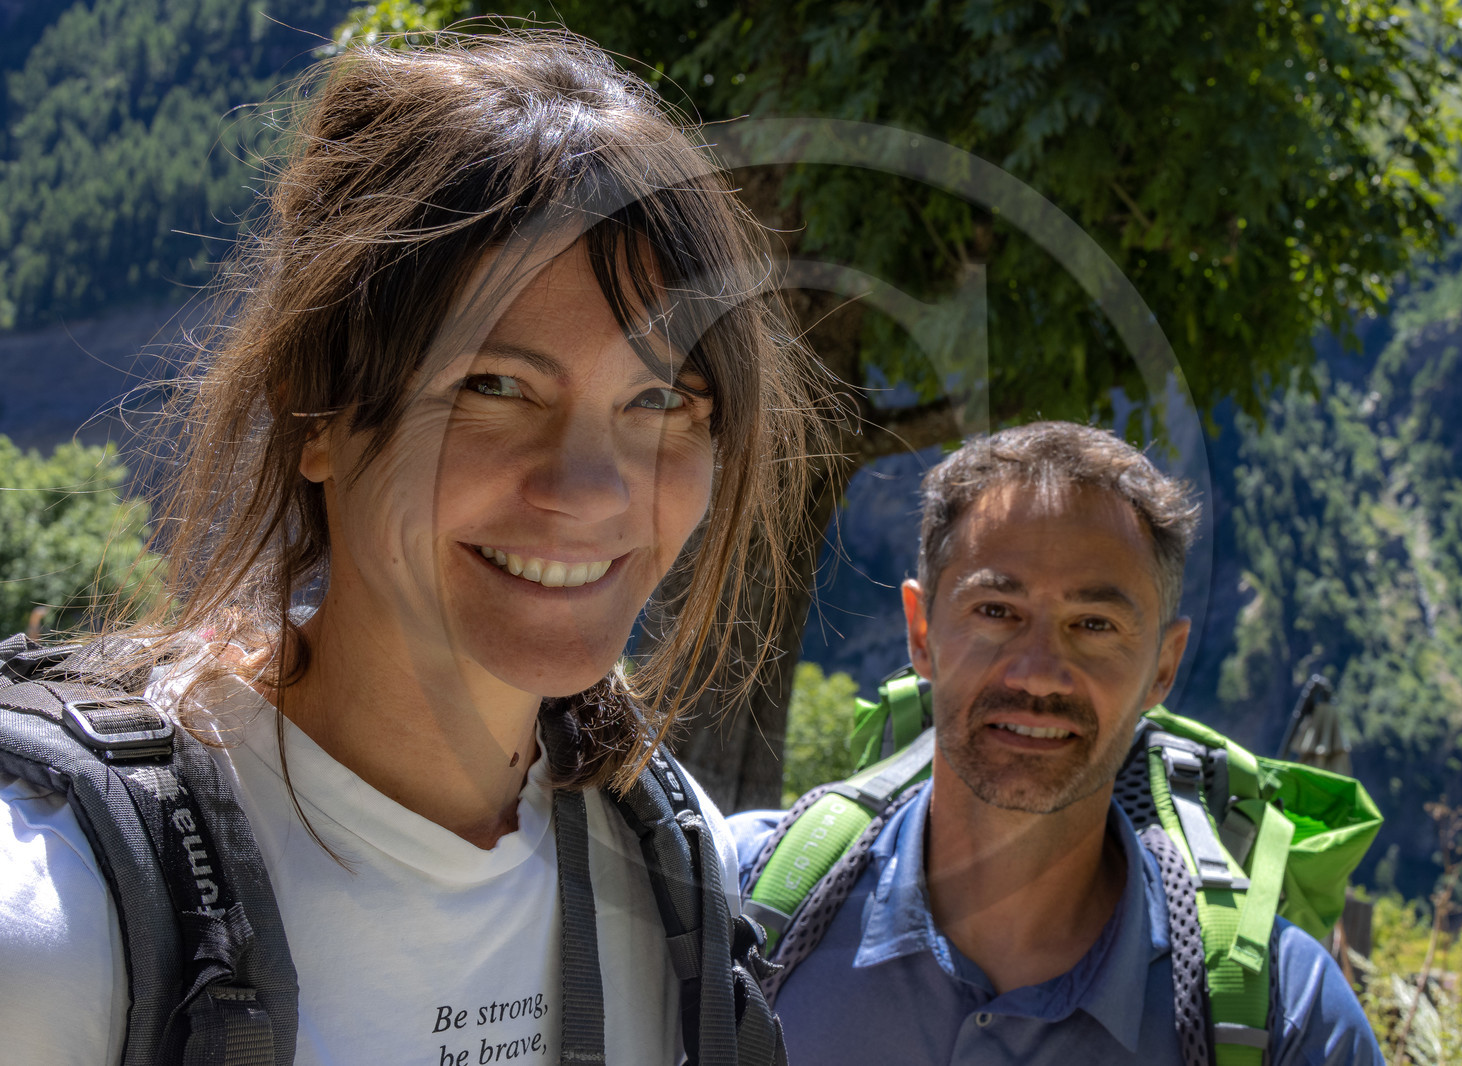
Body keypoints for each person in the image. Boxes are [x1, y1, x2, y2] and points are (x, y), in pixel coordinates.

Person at [0, 31, 831, 1065]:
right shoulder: (54, 921)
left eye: (659, 400)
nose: (585, 491)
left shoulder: (669, 860)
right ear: (314, 417)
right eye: (494, 387)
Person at [729, 422, 1381, 1065]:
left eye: (1093, 625)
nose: (1037, 671)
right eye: (995, 611)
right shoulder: (730, 905)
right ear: (922, 633)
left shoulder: (1292, 1022)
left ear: (1163, 665)